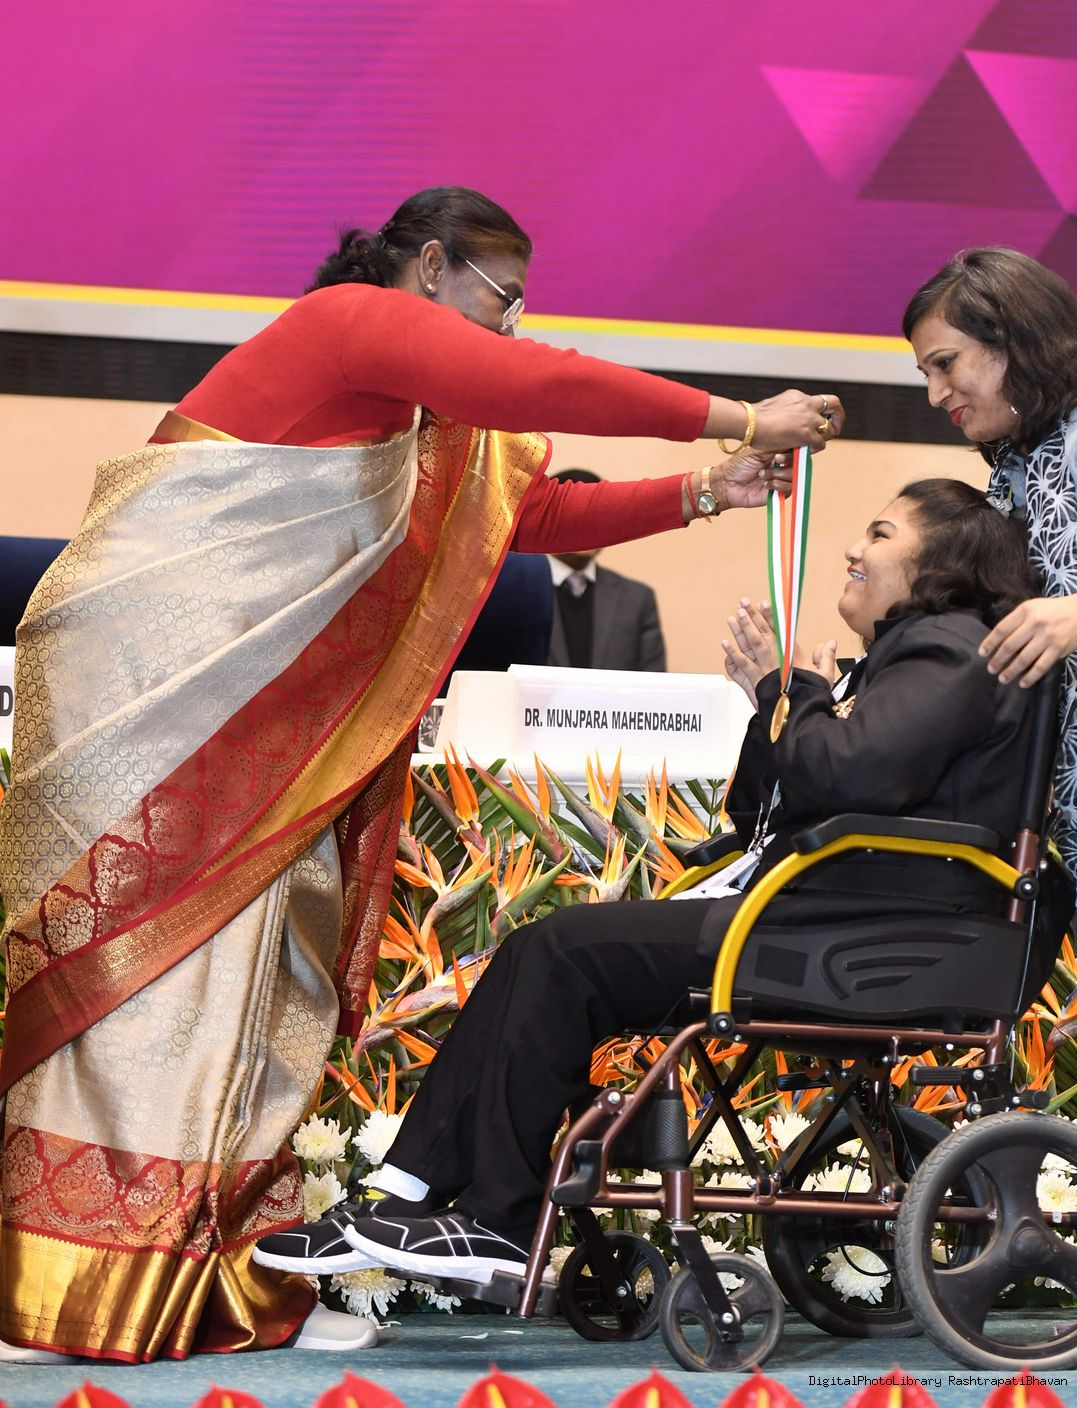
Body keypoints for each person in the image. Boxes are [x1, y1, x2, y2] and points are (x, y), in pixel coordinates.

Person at [0, 186, 843, 1364]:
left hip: (273, 723)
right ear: (433, 266)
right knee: (158, 982)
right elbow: (541, 385)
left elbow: (526, 514)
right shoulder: (352, 321)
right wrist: (740, 416)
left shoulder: (426, 419)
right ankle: (70, 1283)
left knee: (255, 985)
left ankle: (215, 1269)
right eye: (500, 299)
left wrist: (706, 491)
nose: (507, 327)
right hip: (161, 697)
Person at [254, 477, 1073, 1290]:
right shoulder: (898, 662)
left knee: (557, 952)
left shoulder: (950, 647)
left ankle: (491, 1219)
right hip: (831, 919)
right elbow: (760, 810)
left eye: (881, 533)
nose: (855, 549)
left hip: (865, 935)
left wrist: (788, 690)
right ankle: (401, 1197)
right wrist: (781, 700)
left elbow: (847, 776)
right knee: (547, 952)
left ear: (942, 562)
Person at [904, 248, 1077, 882]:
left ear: (1013, 339)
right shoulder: (1015, 461)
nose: (934, 394)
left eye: (945, 363)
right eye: (926, 372)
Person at [546, 468, 667, 672]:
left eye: (597, 514)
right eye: (574, 514)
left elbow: (654, 684)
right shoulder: (512, 594)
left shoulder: (637, 600)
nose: (586, 525)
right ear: (545, 520)